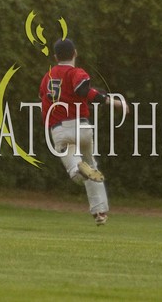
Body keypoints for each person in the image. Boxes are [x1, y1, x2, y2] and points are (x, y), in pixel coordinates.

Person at [39, 38, 128, 226]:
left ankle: (80, 170)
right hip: (83, 127)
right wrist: (113, 102)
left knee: (75, 172)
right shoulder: (76, 72)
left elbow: (43, 101)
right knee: (92, 165)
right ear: (75, 53)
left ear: (55, 57)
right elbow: (83, 90)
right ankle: (100, 212)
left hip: (60, 130)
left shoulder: (47, 77)